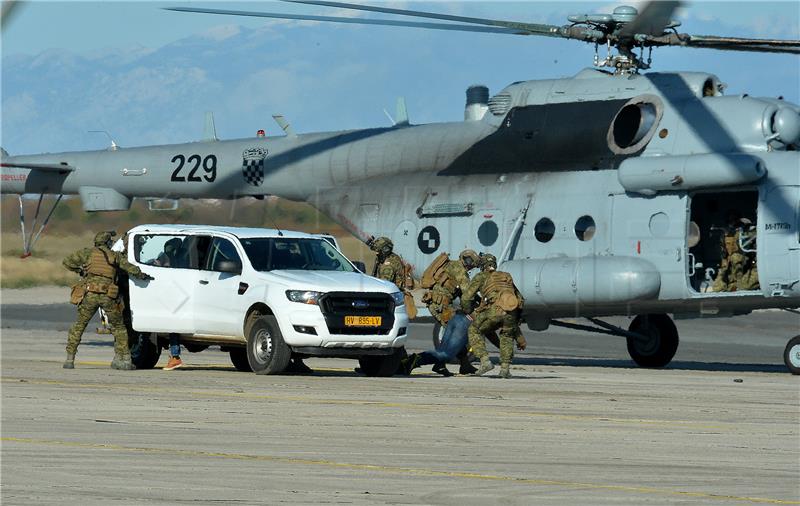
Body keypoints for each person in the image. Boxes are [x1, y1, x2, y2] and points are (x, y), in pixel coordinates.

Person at [63, 231, 154, 370]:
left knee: (79, 326)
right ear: (108, 242)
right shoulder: (114, 256)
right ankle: (125, 360)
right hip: (108, 296)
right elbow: (131, 268)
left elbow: (67, 262)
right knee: (119, 327)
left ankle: (70, 359)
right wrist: (144, 276)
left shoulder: (87, 253)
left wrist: (81, 271)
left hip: (89, 295)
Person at [461, 254, 526, 378]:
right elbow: (520, 299)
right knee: (507, 336)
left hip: (493, 311)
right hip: (511, 312)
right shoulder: (505, 277)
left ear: (482, 265)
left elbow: (466, 297)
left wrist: (469, 311)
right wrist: (516, 319)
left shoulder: (481, 276)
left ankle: (485, 362)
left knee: (474, 330)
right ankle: (505, 369)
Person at [368, 236, 417, 318]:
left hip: (390, 298)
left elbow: (384, 286)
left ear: (385, 250)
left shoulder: (388, 265)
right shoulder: (391, 257)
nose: (376, 253)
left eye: (378, 251)